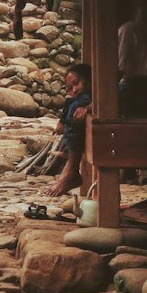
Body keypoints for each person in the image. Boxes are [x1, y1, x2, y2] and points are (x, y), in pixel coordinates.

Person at [48, 64, 93, 198]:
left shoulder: (87, 98)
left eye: (76, 83)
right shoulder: (73, 101)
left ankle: (71, 168)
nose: (74, 90)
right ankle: (70, 168)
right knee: (72, 104)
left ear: (90, 80)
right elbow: (60, 129)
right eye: (69, 88)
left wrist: (90, 107)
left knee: (75, 105)